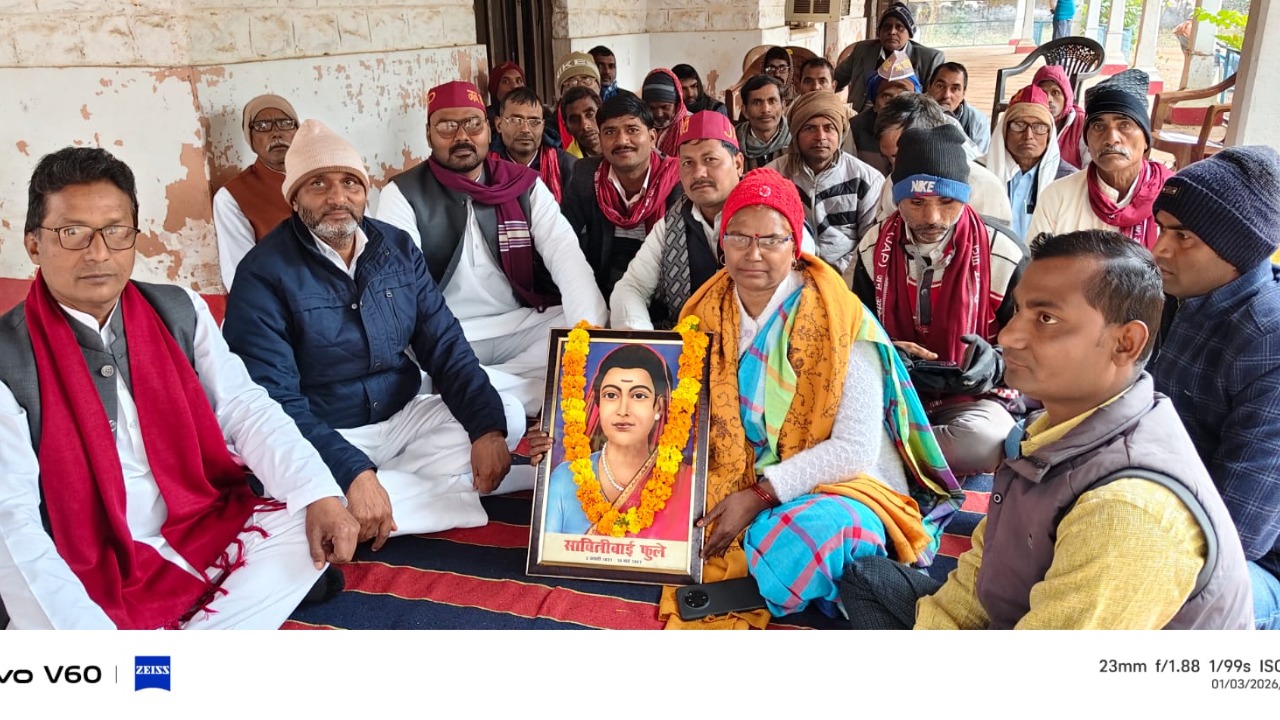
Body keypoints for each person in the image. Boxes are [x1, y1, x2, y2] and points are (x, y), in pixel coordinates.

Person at [0, 146, 360, 630]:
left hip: (200, 523)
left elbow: (245, 408)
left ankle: (163, 660)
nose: (99, 253)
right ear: (33, 244)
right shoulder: (9, 356)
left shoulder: (178, 309)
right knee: (46, 602)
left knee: (308, 514)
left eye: (115, 231)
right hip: (84, 556)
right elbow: (12, 518)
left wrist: (317, 492)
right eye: (73, 233)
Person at [842, 230, 1253, 630]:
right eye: (1019, 310)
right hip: (1019, 616)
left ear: (1125, 343)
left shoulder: (1126, 511)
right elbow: (983, 571)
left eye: (1046, 318)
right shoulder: (1049, 427)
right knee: (866, 578)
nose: (1009, 336)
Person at [657, 168, 964, 628]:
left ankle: (782, 570)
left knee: (821, 533)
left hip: (838, 484)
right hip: (732, 472)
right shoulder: (703, 314)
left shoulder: (841, 318)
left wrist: (760, 495)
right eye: (739, 238)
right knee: (643, 496)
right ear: (722, 243)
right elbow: (684, 416)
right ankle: (814, 581)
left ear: (795, 245)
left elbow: (854, 450)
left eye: (772, 240)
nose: (753, 254)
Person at [224, 120, 528, 555]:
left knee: (507, 416)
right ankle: (427, 495)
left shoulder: (396, 249)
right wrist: (353, 472)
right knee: (289, 477)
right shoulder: (262, 273)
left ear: (365, 191)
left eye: (350, 182)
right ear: (294, 198)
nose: (337, 197)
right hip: (326, 430)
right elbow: (275, 402)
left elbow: (445, 345)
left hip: (401, 418)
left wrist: (486, 431)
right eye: (318, 184)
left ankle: (363, 511)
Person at [376, 82, 606, 414]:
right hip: (446, 335)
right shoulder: (402, 194)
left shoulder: (523, 185)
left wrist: (590, 341)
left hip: (518, 326)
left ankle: (475, 391)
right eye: (447, 126)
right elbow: (403, 288)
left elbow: (565, 255)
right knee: (405, 364)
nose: (462, 136)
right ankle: (531, 393)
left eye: (473, 124)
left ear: (489, 128)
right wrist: (445, 354)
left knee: (581, 328)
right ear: (428, 134)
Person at [1149, 147, 1280, 630]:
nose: (1160, 249)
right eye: (1162, 229)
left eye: (1183, 236)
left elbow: (1239, 535)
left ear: (1236, 249)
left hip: (1253, 568)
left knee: (1170, 600)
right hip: (1157, 507)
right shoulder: (1176, 296)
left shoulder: (1269, 340)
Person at [847, 124, 1025, 475]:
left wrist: (997, 364)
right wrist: (887, 355)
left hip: (973, 401)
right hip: (895, 395)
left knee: (985, 442)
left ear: (965, 197)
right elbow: (857, 335)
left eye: (947, 202)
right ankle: (900, 454)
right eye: (916, 203)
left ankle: (882, 455)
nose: (932, 218)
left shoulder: (1003, 253)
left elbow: (1035, 348)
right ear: (897, 199)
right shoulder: (872, 248)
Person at [610, 111, 816, 330]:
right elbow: (632, 287)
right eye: (688, 163)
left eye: (710, 160)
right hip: (690, 344)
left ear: (738, 163)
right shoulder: (672, 223)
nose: (698, 173)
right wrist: (644, 342)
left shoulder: (773, 212)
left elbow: (804, 288)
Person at [545, 344, 694, 540]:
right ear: (598, 403)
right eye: (611, 395)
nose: (623, 410)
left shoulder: (686, 484)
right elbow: (548, 552)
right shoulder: (566, 478)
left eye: (638, 396)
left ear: (658, 406)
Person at [1028, 70, 1172, 249]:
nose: (1111, 139)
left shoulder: (1172, 197)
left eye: (1125, 125)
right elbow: (1037, 264)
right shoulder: (1057, 197)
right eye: (1098, 126)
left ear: (1146, 139)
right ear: (1087, 142)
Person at [561, 92, 683, 297]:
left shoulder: (677, 179)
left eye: (632, 130)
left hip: (663, 294)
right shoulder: (586, 174)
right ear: (600, 139)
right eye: (610, 132)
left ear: (652, 137)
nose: (622, 140)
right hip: (604, 291)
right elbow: (563, 237)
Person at [767, 90, 882, 273]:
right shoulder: (773, 177)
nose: (820, 136)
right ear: (796, 134)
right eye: (810, 128)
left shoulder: (867, 180)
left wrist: (835, 279)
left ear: (840, 133)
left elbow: (870, 243)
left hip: (845, 278)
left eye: (829, 128)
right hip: (789, 275)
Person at [873, 93, 1015, 224]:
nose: (895, 166)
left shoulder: (984, 188)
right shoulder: (891, 184)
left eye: (899, 155)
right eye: (889, 158)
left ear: (934, 138)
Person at [214, 94, 299, 290]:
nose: (276, 133)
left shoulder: (327, 177)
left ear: (297, 130)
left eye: (285, 123)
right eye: (262, 126)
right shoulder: (232, 197)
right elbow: (241, 273)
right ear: (249, 137)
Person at [980, 85, 1078, 240]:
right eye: (1019, 125)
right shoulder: (979, 172)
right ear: (1004, 131)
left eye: (1039, 127)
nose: (1028, 135)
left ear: (1049, 134)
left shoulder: (1069, 180)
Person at [834, 2, 945, 112]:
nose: (892, 32)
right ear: (879, 32)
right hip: (860, 117)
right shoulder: (863, 50)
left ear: (910, 34)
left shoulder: (929, 59)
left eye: (899, 27)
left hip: (906, 119)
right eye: (887, 26)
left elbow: (934, 102)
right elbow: (835, 80)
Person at [491, 86, 577, 204]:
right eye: (516, 120)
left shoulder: (567, 166)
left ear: (543, 126)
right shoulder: (485, 167)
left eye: (534, 122)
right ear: (499, 124)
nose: (525, 129)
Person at [848, 50, 921, 175]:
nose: (895, 104)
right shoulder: (856, 127)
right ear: (875, 105)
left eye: (904, 95)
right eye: (887, 97)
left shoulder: (929, 126)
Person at [927, 62, 991, 155]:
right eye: (940, 86)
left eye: (955, 89)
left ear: (963, 94)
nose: (946, 95)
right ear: (929, 87)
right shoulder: (913, 114)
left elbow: (980, 160)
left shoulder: (978, 121)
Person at [1035, 64, 1086, 169]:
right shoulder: (1027, 119)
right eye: (1042, 92)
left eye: (1055, 92)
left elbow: (1090, 168)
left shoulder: (1081, 123)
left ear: (1066, 96)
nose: (1048, 99)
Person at [734, 75, 790, 171]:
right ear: (745, 111)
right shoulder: (732, 143)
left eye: (772, 101)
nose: (765, 109)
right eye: (757, 103)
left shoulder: (796, 140)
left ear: (783, 107)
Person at [642, 68, 689, 157]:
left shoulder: (691, 125)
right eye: (652, 108)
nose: (659, 114)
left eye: (665, 107)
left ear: (677, 103)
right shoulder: (640, 126)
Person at [559, 85, 603, 159]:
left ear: (603, 114)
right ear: (567, 128)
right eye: (575, 120)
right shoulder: (568, 163)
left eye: (590, 115)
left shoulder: (622, 144)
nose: (585, 126)